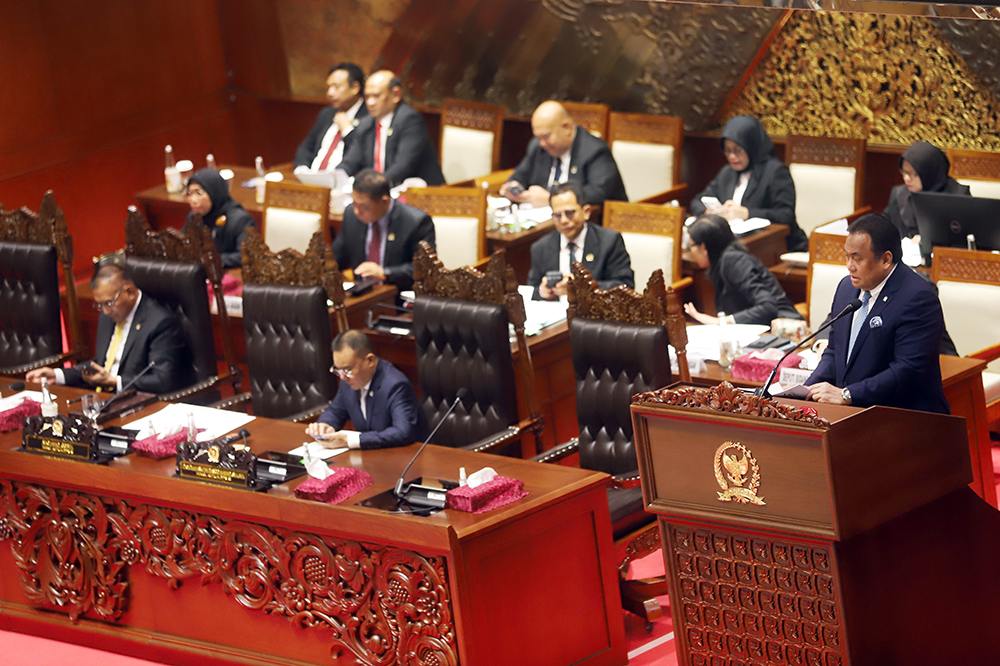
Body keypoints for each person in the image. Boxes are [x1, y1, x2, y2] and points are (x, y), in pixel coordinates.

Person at [805, 213, 949, 414]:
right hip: (852, 413)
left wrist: (847, 395)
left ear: (886, 259)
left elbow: (907, 370)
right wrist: (805, 390)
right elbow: (835, 351)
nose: (849, 266)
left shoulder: (918, 297)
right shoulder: (847, 288)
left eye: (857, 258)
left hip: (906, 417)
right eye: (847, 256)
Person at [26, 261, 192, 394]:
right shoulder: (108, 316)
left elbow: (164, 381)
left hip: (137, 402)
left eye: (109, 303)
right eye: (100, 304)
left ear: (130, 292)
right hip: (101, 398)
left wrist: (114, 381)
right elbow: (102, 364)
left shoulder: (160, 323)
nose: (105, 311)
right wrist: (57, 375)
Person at [689, 115, 807, 252]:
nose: (732, 156)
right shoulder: (728, 172)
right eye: (728, 150)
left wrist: (746, 213)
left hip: (779, 247)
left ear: (751, 146)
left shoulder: (775, 172)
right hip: (735, 245)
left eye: (738, 150)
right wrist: (710, 212)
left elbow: (785, 215)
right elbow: (697, 201)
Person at [306, 330, 429, 449]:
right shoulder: (348, 381)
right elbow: (335, 411)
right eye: (338, 370)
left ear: (370, 360)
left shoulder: (395, 385)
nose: (342, 377)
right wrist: (324, 426)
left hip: (409, 458)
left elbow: (402, 432)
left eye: (347, 370)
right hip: (373, 456)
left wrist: (349, 440)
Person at [500, 101, 628, 208]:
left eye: (546, 136)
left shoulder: (595, 151)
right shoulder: (538, 147)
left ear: (566, 128)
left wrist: (551, 199)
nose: (542, 143)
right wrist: (514, 186)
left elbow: (598, 194)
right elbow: (521, 174)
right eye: (538, 137)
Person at [683, 214, 803, 326]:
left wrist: (720, 322)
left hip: (783, 327)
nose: (690, 251)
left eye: (691, 246)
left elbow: (768, 307)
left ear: (704, 247)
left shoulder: (733, 261)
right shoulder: (726, 260)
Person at [526, 181, 634, 300]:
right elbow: (532, 290)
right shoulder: (541, 247)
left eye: (570, 213)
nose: (564, 220)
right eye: (557, 215)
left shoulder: (609, 241)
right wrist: (543, 291)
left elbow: (625, 286)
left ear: (586, 212)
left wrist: (579, 288)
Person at [331, 169, 435, 291]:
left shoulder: (416, 222)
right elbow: (337, 257)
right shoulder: (351, 216)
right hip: (361, 297)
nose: (356, 211)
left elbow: (425, 269)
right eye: (354, 203)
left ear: (384, 201)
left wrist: (385, 273)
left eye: (364, 207)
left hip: (398, 299)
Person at [337, 70, 445, 187]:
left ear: (396, 94)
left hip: (418, 192)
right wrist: (333, 178)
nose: (370, 102)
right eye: (367, 96)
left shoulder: (410, 120)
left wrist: (374, 187)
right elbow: (350, 161)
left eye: (376, 96)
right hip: (377, 193)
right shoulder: (365, 124)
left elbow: (403, 166)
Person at [883, 141, 971, 240]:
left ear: (928, 172)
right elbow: (884, 227)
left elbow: (968, 235)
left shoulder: (958, 196)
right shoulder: (899, 194)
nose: (906, 178)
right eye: (904, 172)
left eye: (914, 174)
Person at [294, 62, 369, 171]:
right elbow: (306, 147)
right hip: (312, 179)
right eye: (328, 87)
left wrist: (348, 131)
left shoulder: (369, 116)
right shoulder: (327, 114)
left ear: (355, 88)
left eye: (336, 87)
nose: (330, 93)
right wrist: (302, 169)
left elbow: (363, 155)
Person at [182, 168, 255, 268]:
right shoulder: (194, 216)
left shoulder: (240, 219)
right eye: (189, 193)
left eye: (199, 193)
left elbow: (245, 256)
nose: (193, 200)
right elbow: (183, 245)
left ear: (214, 192)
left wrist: (208, 260)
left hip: (230, 274)